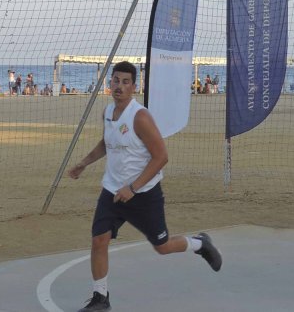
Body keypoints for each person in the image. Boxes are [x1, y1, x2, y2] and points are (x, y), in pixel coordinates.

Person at [66, 61, 221, 311]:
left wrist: (134, 188)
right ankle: (100, 298)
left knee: (163, 246)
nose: (119, 86)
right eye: (116, 80)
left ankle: (200, 244)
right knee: (99, 240)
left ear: (134, 87)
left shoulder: (140, 117)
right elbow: (108, 142)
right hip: (113, 192)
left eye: (125, 82)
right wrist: (84, 163)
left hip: (144, 194)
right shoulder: (107, 113)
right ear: (110, 83)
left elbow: (161, 157)